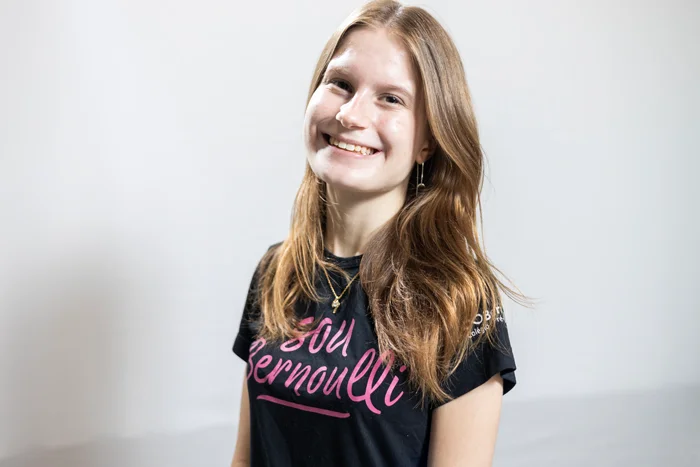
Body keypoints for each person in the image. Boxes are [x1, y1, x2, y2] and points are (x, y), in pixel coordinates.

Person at [230, 1, 528, 465]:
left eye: (391, 98)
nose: (351, 114)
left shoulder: (456, 299)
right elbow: (245, 459)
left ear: (428, 140)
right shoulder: (276, 271)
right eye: (341, 84)